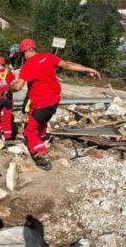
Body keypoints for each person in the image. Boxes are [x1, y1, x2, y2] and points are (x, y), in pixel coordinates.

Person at [7, 38, 101, 171]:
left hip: (40, 103)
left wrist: (8, 89)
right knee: (42, 121)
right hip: (54, 101)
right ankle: (43, 137)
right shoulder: (48, 56)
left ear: (24, 53)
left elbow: (17, 87)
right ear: (34, 48)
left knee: (29, 131)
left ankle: (40, 154)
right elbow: (68, 65)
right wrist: (88, 69)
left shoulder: (28, 66)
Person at [0, 56, 15, 140]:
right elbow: (14, 85)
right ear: (4, 64)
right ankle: (8, 136)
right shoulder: (10, 73)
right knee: (7, 118)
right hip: (8, 99)